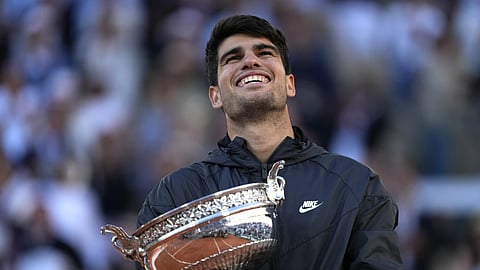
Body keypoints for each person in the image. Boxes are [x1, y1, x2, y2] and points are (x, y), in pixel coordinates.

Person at [137, 14, 403, 269]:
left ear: (290, 84)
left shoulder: (354, 186)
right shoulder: (176, 196)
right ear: (215, 96)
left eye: (264, 53)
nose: (251, 61)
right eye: (233, 57)